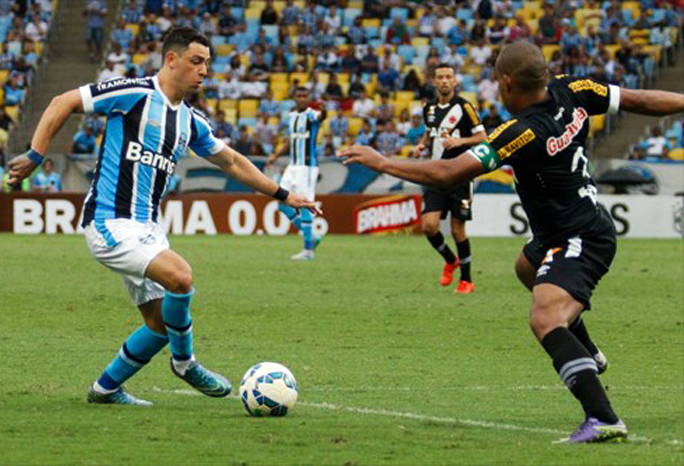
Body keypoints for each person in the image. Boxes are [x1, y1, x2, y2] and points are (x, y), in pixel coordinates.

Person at [339, 41, 684, 443]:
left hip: (580, 236)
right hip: (562, 229)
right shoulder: (573, 88)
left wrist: (382, 161)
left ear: (505, 83)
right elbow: (640, 99)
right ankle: (587, 352)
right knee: (526, 268)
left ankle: (602, 416)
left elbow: (450, 172)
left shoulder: (519, 132)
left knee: (545, 318)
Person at [6, 27, 318, 406]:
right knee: (181, 277)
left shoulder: (189, 121)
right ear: (172, 60)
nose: (205, 71)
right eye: (196, 61)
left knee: (159, 324)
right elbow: (61, 101)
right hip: (109, 221)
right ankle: (185, 364)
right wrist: (36, 156)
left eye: (207, 63)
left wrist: (285, 195)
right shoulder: (134, 93)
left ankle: (105, 389)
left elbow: (232, 162)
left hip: (149, 228)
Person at [412, 63, 487, 293]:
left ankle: (466, 280)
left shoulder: (465, 107)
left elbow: (483, 137)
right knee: (429, 225)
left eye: (448, 77)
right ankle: (450, 259)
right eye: (440, 77)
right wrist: (422, 144)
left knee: (457, 229)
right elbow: (430, 130)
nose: (444, 81)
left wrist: (460, 142)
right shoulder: (429, 108)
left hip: (460, 175)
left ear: (455, 82)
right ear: (434, 81)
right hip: (435, 175)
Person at [265, 87, 327, 261]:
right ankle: (312, 237)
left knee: (305, 204)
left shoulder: (311, 115)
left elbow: (322, 117)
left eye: (305, 96)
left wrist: (325, 109)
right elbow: (289, 141)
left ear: (308, 98)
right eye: (299, 96)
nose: (301, 99)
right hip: (292, 166)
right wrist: (275, 156)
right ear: (294, 98)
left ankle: (308, 250)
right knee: (282, 204)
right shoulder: (292, 117)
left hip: (306, 167)